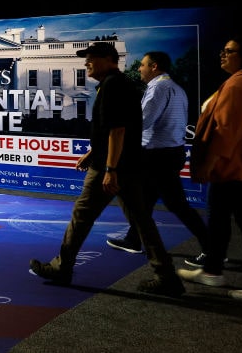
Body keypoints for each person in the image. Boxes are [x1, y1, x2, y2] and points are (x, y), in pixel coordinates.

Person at [29, 41, 185, 296]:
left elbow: (118, 129)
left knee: (82, 215)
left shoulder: (112, 86)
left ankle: (61, 267)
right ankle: (166, 275)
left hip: (112, 167)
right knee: (141, 221)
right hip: (127, 165)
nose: (86, 62)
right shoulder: (117, 84)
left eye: (91, 57)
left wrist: (110, 168)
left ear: (109, 59)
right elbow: (116, 128)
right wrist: (94, 152)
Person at [177, 35, 242, 302]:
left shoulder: (239, 84)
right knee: (218, 220)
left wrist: (209, 163)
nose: (223, 54)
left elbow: (226, 131)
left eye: (229, 51)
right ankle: (212, 270)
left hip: (236, 170)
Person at [106, 51, 213, 264]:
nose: (139, 69)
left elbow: (142, 122)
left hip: (157, 156)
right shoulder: (176, 88)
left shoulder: (157, 88)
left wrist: (118, 127)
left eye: (143, 65)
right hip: (170, 152)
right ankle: (133, 239)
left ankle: (213, 250)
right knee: (143, 202)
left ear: (154, 66)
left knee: (176, 204)